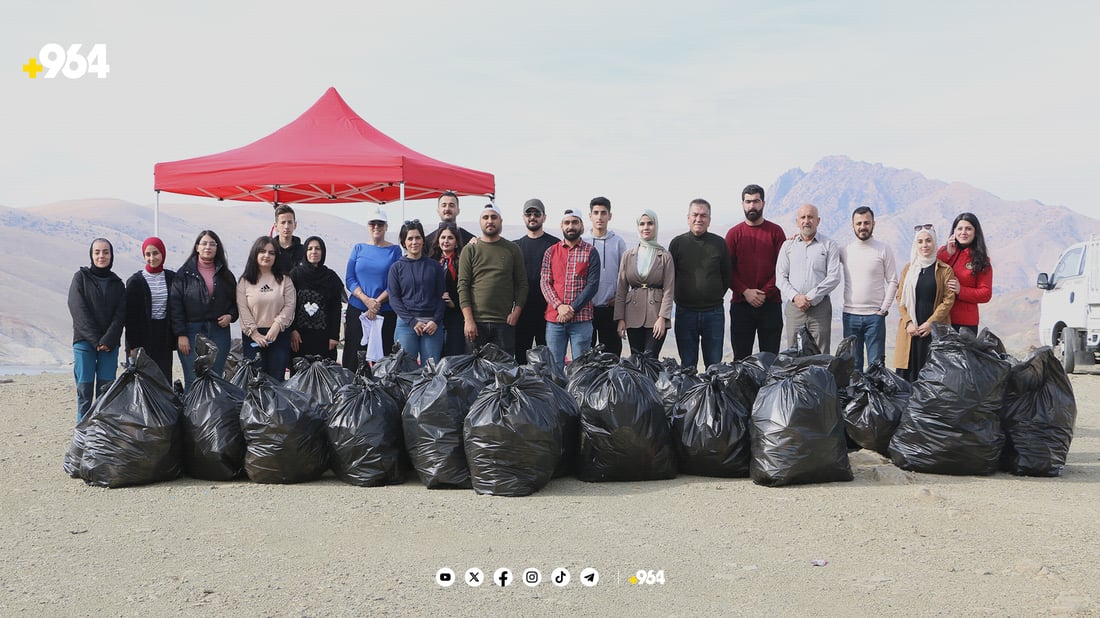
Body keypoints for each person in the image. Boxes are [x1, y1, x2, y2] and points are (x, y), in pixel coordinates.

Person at [726, 184, 787, 360]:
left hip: (771, 304)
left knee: (769, 358)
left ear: (763, 203)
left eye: (756, 201)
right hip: (741, 304)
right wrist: (745, 291)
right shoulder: (734, 234)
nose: (752, 206)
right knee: (741, 358)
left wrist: (764, 293)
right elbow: (727, 270)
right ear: (742, 204)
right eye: (748, 202)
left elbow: (783, 268)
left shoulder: (775, 232)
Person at [171, 230, 238, 391]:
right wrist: (181, 334)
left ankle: (214, 416)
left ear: (217, 248)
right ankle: (191, 416)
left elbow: (236, 302)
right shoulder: (183, 274)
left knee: (215, 379)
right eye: (204, 243)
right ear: (197, 247)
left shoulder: (226, 275)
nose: (208, 247)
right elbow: (175, 305)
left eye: (212, 244)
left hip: (219, 331)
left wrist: (231, 315)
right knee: (193, 379)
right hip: (191, 332)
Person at [669, 199, 731, 369]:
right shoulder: (677, 244)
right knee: (688, 366)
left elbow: (727, 276)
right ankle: (691, 396)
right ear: (688, 218)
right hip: (685, 313)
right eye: (695, 215)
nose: (699, 219)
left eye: (703, 215)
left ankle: (715, 396)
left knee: (715, 366)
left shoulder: (719, 244)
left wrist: (713, 295)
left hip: (714, 313)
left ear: (709, 220)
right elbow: (670, 277)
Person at [458, 204, 528, 355]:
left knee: (504, 374)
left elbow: (521, 284)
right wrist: (468, 320)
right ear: (480, 222)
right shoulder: (470, 250)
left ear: (500, 221)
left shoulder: (512, 249)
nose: (490, 221)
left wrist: (516, 312)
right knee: (474, 375)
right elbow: (463, 286)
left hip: (504, 324)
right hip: (476, 324)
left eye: (493, 217)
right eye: (485, 217)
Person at [68, 238, 125, 420]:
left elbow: (120, 315)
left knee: (106, 394)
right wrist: (95, 340)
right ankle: (82, 440)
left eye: (106, 252)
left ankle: (102, 441)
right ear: (91, 255)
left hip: (109, 346)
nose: (101, 256)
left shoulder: (118, 283)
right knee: (84, 393)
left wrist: (107, 340)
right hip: (84, 343)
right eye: (97, 252)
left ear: (111, 255)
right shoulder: (81, 278)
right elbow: (78, 309)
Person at [344, 207, 403, 373]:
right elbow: (350, 279)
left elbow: (396, 282)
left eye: (380, 223)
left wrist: (376, 302)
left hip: (384, 311)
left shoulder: (395, 251)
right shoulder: (358, 249)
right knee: (353, 354)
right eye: (373, 223)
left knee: (383, 357)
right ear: (367, 226)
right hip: (358, 309)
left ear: (386, 226)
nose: (376, 226)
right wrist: (365, 300)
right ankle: (351, 393)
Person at [776, 204, 841, 354]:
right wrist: (796, 297)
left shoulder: (829, 245)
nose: (807, 221)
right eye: (803, 217)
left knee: (821, 353)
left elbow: (834, 277)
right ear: (797, 221)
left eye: (810, 217)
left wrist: (810, 297)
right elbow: (780, 277)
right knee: (793, 353)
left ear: (818, 221)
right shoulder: (787, 246)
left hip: (820, 308)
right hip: (794, 308)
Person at [540, 209, 601, 369]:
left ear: (581, 225)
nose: (570, 226)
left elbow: (592, 285)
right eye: (567, 222)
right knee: (554, 366)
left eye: (575, 222)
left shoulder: (591, 252)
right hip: (555, 320)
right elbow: (545, 283)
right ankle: (557, 395)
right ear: (561, 226)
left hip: (581, 320)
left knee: (581, 367)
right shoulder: (551, 252)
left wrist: (571, 309)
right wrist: (559, 306)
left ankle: (578, 395)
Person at [840, 207, 899, 371]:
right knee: (852, 366)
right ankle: (855, 398)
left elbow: (893, 281)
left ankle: (877, 397)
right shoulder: (845, 251)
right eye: (858, 223)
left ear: (873, 224)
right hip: (850, 316)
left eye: (866, 222)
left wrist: (883, 309)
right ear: (852, 225)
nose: (862, 226)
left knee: (876, 366)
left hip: (874, 317)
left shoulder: (883, 249)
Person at [895, 225, 957, 381]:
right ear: (916, 244)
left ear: (934, 242)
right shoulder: (908, 269)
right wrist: (908, 322)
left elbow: (948, 300)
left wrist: (931, 324)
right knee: (907, 379)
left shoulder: (945, 270)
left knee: (934, 377)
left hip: (934, 332)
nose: (924, 245)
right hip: (911, 331)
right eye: (920, 241)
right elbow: (900, 298)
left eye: (928, 241)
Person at [615, 210, 675, 357]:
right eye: (642, 224)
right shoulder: (628, 255)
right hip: (632, 315)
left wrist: (663, 318)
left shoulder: (664, 256)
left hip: (656, 315)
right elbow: (621, 288)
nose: (646, 227)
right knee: (636, 360)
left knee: (650, 359)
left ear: (656, 226)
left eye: (650, 223)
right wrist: (620, 319)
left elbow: (669, 289)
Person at [237, 236, 296, 383]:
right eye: (262, 251)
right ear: (255, 254)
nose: (267, 256)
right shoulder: (245, 281)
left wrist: (277, 326)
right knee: (255, 381)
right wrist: (254, 333)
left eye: (271, 253)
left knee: (276, 381)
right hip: (253, 338)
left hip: (279, 335)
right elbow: (242, 308)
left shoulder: (284, 279)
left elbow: (290, 305)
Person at [388, 220, 446, 364]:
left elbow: (442, 297)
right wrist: (413, 322)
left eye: (418, 237)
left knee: (431, 371)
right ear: (403, 242)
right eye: (410, 238)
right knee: (406, 370)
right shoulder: (396, 268)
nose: (414, 242)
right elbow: (394, 299)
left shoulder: (434, 266)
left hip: (432, 325)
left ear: (423, 240)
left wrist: (435, 321)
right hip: (406, 324)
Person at [513, 198, 560, 364]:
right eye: (529, 214)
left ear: (544, 217)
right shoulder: (515, 246)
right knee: (520, 359)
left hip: (548, 312)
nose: (532, 217)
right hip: (522, 311)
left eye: (536, 214)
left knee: (548, 362)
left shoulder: (555, 245)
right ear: (523, 217)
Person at [124, 236, 176, 383]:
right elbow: (130, 318)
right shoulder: (135, 282)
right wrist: (132, 347)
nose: (152, 258)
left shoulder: (172, 278)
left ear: (163, 253)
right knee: (141, 382)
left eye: (156, 253)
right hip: (142, 339)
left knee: (163, 381)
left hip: (164, 338)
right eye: (148, 254)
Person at [288, 236, 343, 367]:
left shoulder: (331, 277)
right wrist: (292, 330)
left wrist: (334, 336)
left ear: (323, 252)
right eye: (310, 249)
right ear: (305, 252)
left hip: (324, 339)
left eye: (318, 249)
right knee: (299, 380)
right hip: (299, 338)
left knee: (324, 377)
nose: (314, 252)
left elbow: (336, 308)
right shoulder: (295, 275)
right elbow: (288, 305)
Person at [583, 196, 627, 357]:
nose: (599, 217)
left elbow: (624, 276)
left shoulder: (618, 242)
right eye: (596, 213)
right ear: (590, 216)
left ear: (610, 216)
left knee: (612, 356)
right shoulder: (583, 241)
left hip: (610, 308)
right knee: (586, 357)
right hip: (586, 309)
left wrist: (619, 299)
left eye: (603, 213)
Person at [937, 212, 993, 335]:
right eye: (960, 228)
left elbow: (986, 294)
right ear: (954, 231)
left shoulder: (982, 260)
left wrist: (960, 290)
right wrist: (948, 253)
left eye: (968, 229)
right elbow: (931, 272)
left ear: (975, 232)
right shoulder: (943, 252)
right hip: (940, 317)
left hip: (965, 323)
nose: (963, 232)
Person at [428, 223, 467, 357]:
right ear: (438, 241)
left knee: (453, 355)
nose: (446, 241)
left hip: (455, 314)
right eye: (443, 237)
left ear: (456, 242)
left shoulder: (463, 261)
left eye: (450, 238)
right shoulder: (431, 262)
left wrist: (453, 302)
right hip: (434, 315)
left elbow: (466, 287)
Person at [272, 204, 305, 274]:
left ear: (295, 225)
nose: (286, 226)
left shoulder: (304, 251)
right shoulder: (270, 251)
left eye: (290, 222)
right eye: (283, 223)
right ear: (276, 226)